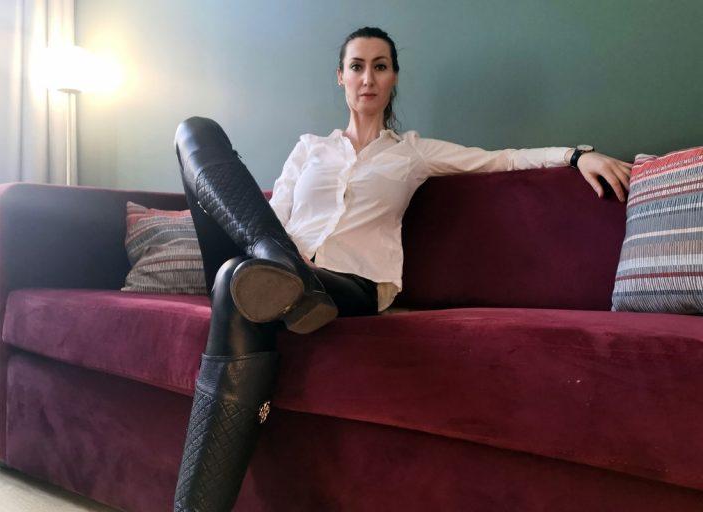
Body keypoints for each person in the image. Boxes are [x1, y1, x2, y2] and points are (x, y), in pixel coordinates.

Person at [172, 26, 631, 512]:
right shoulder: (309, 148)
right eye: (357, 67)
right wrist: (279, 252)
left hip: (351, 284)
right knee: (194, 131)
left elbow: (501, 160)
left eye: (380, 67)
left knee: (235, 280)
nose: (368, 78)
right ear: (340, 76)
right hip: (277, 263)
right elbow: (275, 213)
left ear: (393, 78)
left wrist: (575, 155)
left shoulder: (413, 152)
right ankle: (282, 270)